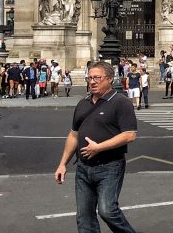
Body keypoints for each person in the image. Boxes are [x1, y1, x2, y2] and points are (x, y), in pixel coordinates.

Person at [55, 61, 139, 233]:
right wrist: (62, 163)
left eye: (97, 78)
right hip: (83, 168)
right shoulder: (83, 103)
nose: (92, 81)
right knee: (84, 218)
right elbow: (73, 135)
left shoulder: (121, 103)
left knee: (107, 211)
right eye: (89, 78)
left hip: (109, 166)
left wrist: (99, 147)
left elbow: (129, 135)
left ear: (109, 79)